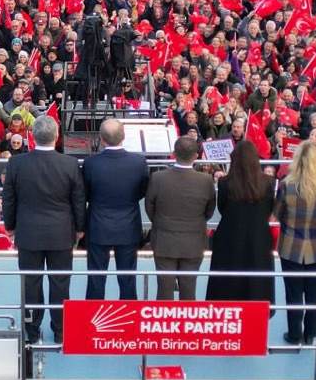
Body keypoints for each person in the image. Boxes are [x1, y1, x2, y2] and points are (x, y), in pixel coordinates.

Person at [3, 115, 85, 344]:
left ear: (32, 135)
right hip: (61, 234)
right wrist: (80, 228)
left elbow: (9, 198)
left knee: (31, 283)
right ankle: (60, 331)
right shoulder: (70, 164)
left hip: (28, 233)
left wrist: (9, 226)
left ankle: (31, 331)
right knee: (60, 283)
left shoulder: (16, 163)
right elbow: (79, 200)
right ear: (57, 136)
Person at [273, 142, 316, 345]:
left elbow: (277, 213)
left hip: (291, 245)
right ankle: (310, 333)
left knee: (293, 293)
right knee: (314, 292)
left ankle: (294, 334)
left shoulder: (286, 184)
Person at [82, 119, 149, 300]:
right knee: (127, 280)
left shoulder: (91, 163)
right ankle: (129, 316)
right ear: (123, 136)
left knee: (96, 280)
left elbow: (85, 193)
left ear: (101, 139)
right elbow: (142, 191)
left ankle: (93, 316)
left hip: (98, 226)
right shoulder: (139, 162)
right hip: (128, 225)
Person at [206, 140, 277, 306]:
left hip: (229, 237)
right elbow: (269, 209)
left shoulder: (225, 183)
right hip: (259, 237)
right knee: (257, 283)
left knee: (227, 283)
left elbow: (222, 208)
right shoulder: (268, 182)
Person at [145, 135, 216, 300]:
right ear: (196, 156)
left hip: (164, 240)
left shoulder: (158, 178)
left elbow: (149, 208)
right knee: (189, 289)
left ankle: (164, 318)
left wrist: (161, 223)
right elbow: (209, 211)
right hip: (193, 241)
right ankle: (187, 318)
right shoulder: (206, 180)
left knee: (164, 290)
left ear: (174, 154)